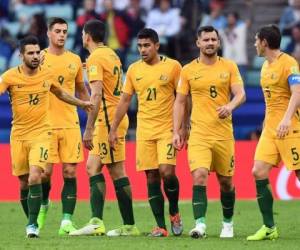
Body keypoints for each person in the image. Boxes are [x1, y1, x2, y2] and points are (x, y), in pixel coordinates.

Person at [0, 35, 93, 238]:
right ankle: (31, 220)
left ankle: (32, 226)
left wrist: (82, 103)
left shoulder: (46, 74)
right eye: (30, 53)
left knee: (36, 175)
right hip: (18, 135)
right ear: (21, 55)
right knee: (24, 182)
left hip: (42, 133)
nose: (35, 56)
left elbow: (60, 93)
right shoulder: (9, 77)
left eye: (37, 52)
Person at [109, 28, 183, 237]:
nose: (142, 49)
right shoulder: (133, 70)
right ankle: (160, 226)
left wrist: (183, 126)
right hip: (145, 130)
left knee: (167, 172)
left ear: (157, 46)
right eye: (140, 46)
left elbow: (183, 97)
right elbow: (124, 100)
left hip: (167, 129)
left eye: (147, 45)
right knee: (151, 177)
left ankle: (174, 211)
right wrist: (113, 128)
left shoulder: (173, 67)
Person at [173, 25, 246, 239]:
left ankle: (228, 224)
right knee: (199, 176)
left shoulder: (230, 66)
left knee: (226, 182)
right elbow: (179, 102)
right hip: (199, 134)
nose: (210, 43)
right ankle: (200, 225)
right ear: (198, 43)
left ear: (219, 42)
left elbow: (240, 94)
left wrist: (230, 106)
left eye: (214, 39)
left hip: (223, 134)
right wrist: (177, 130)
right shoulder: (188, 70)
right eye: (206, 40)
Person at [70, 19, 139, 237]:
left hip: (108, 120)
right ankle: (97, 221)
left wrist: (88, 128)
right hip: (112, 117)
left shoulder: (95, 58)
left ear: (87, 36)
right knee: (92, 167)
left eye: (82, 34)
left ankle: (128, 225)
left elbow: (97, 94)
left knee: (117, 171)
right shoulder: (111, 54)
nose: (82, 37)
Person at [36, 17, 90, 235]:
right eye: (57, 31)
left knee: (69, 172)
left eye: (64, 31)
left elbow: (81, 90)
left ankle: (66, 221)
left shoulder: (75, 60)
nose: (61, 35)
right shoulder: (39, 58)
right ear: (49, 33)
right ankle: (43, 204)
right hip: (45, 124)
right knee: (44, 174)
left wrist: (90, 112)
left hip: (69, 123)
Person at [247, 24, 300, 241]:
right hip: (270, 130)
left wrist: (287, 119)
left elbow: (297, 92)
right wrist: (265, 125)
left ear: (264, 43)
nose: (254, 44)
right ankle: (269, 227)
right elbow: (271, 102)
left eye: (256, 40)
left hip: (290, 128)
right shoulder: (265, 67)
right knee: (258, 171)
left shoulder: (289, 63)